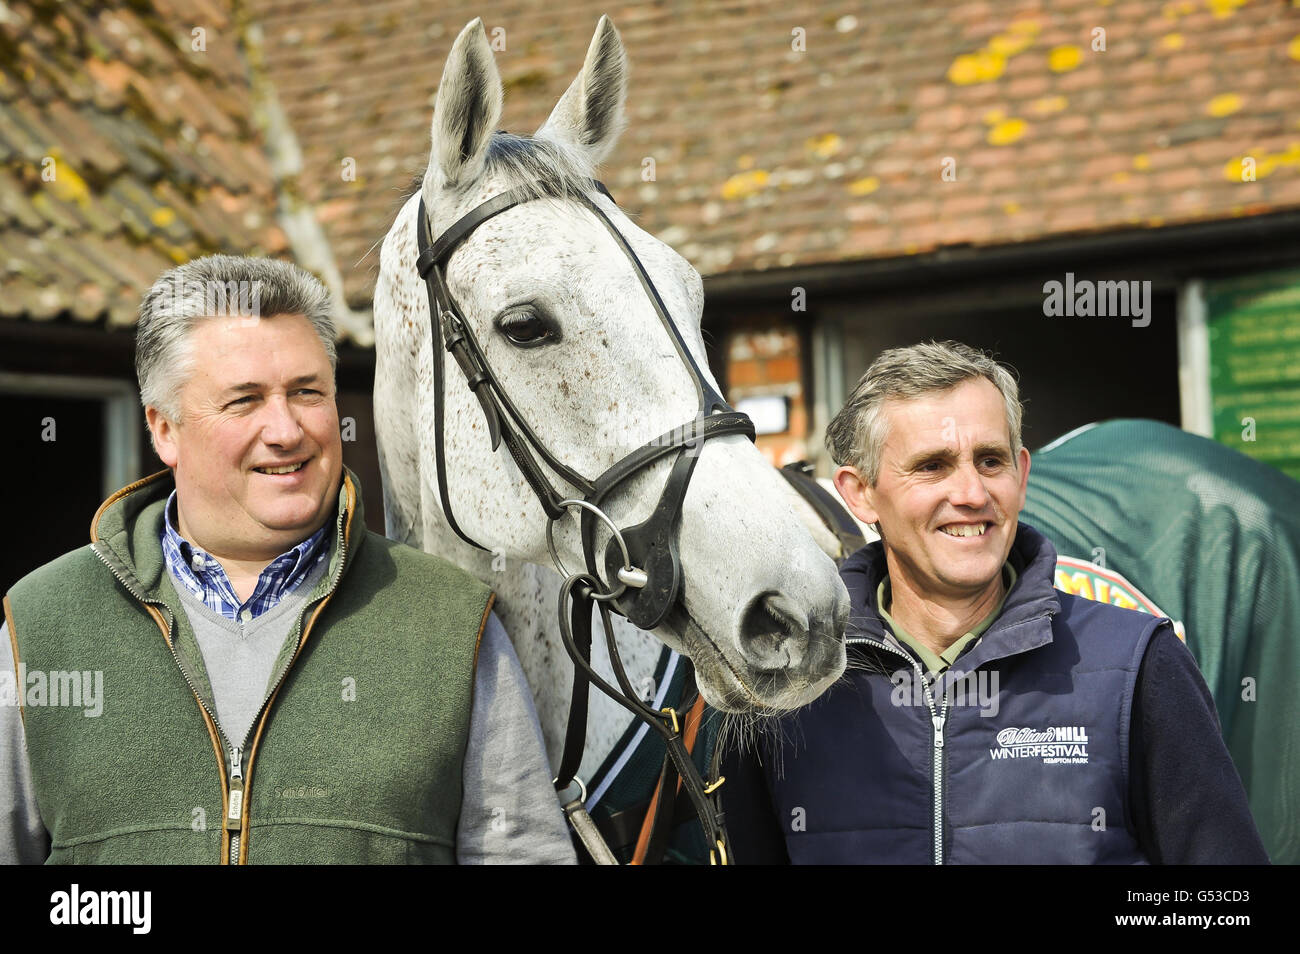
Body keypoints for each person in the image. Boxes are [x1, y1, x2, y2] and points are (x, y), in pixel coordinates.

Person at [0, 255, 575, 864]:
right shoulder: (39, 628)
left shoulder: (453, 624)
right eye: (244, 401)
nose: (286, 430)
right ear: (164, 429)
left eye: (306, 393)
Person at [723, 340, 1269, 864]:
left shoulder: (1138, 665)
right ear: (860, 492)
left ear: (1022, 475)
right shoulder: (787, 687)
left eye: (990, 461)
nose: (972, 494)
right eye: (933, 466)